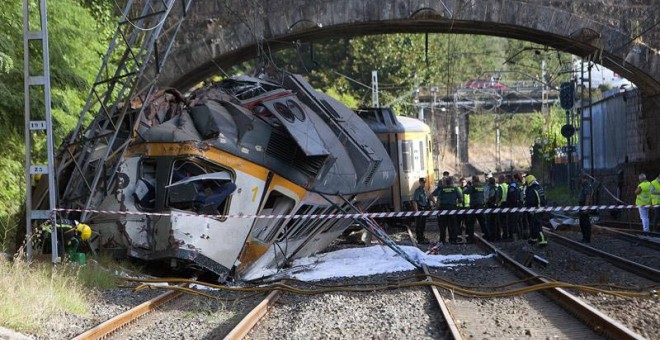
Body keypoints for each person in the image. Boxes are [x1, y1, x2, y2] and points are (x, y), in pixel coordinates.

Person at [432, 177, 463, 244]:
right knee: (452, 224)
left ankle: (442, 239)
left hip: (443, 209)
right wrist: (457, 203)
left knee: (442, 225)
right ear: (452, 183)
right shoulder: (455, 189)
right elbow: (461, 198)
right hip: (452, 208)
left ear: (446, 183)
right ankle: (453, 239)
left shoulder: (442, 189)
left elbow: (438, 199)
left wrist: (436, 205)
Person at [524, 174, 547, 246]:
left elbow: (530, 201)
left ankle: (543, 241)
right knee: (533, 225)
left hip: (535, 210)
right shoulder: (539, 188)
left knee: (537, 226)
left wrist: (526, 206)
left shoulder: (531, 190)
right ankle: (533, 239)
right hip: (540, 209)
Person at [464, 175, 486, 243]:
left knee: (470, 223)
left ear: (473, 180)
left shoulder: (472, 187)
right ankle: (486, 236)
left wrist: (467, 186)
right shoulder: (482, 186)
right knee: (482, 222)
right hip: (481, 205)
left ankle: (471, 238)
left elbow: (465, 192)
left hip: (473, 206)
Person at [412, 177, 431, 244]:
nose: (423, 184)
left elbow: (429, 197)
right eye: (422, 182)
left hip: (424, 209)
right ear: (420, 182)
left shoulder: (425, 190)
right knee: (419, 224)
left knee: (423, 224)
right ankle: (419, 238)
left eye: (424, 183)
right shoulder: (417, 191)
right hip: (420, 209)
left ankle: (422, 237)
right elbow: (415, 201)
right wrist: (416, 210)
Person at [577, 173, 593, 243]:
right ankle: (584, 238)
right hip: (582, 205)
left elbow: (588, 196)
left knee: (585, 222)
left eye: (579, 177)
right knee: (582, 222)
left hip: (584, 205)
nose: (579, 179)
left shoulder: (586, 185)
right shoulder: (583, 185)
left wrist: (586, 207)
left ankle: (587, 238)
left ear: (582, 177)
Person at [506, 174, 523, 240]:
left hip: (514, 206)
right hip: (520, 205)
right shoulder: (518, 185)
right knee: (519, 221)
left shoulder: (512, 186)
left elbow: (513, 197)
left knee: (514, 222)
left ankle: (516, 237)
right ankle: (520, 236)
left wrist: (512, 203)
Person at [484, 177, 498, 241]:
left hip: (490, 206)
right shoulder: (496, 187)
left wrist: (486, 202)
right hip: (495, 206)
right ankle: (495, 236)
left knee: (489, 222)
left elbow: (489, 197)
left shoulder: (490, 188)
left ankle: (490, 236)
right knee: (495, 222)